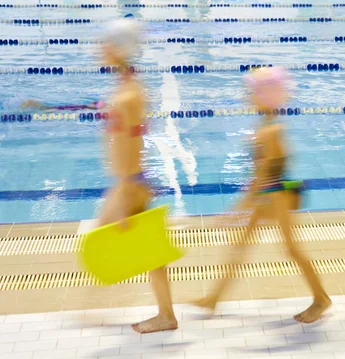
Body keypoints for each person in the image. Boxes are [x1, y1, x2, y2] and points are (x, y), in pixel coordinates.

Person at [193, 67, 331, 323]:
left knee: (291, 250)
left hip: (276, 195)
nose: (247, 96)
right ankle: (213, 299)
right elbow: (267, 170)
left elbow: (264, 175)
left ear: (265, 96)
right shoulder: (267, 126)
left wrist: (236, 210)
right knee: (241, 246)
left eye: (252, 92)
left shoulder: (270, 130)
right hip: (270, 193)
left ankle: (321, 299)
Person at [99, 18, 177, 333]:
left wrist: (129, 187)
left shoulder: (130, 95)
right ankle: (165, 314)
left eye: (105, 42)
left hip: (129, 182)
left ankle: (164, 315)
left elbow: (134, 144)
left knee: (113, 242)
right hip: (129, 181)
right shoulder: (128, 88)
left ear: (118, 49)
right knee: (149, 250)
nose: (99, 47)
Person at [20, 100, 105, 111]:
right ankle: (27, 103)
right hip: (60, 109)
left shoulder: (84, 106)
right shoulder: (85, 107)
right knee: (43, 109)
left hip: (62, 108)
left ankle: (28, 103)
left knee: (43, 108)